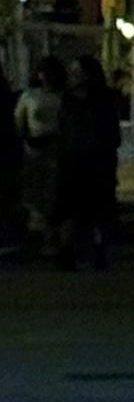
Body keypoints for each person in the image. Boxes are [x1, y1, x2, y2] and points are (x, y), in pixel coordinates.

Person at [53, 53, 122, 269]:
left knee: (98, 207)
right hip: (73, 159)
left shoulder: (103, 99)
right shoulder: (68, 99)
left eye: (78, 72)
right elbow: (63, 128)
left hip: (96, 159)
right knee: (70, 207)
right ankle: (68, 250)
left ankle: (98, 250)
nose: (74, 76)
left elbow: (112, 131)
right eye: (73, 72)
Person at [12, 59, 64, 257]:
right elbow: (19, 123)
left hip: (57, 149)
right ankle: (40, 235)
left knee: (54, 192)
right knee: (36, 193)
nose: (46, 76)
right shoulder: (29, 96)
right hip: (34, 148)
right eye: (43, 72)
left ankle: (51, 236)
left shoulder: (63, 96)